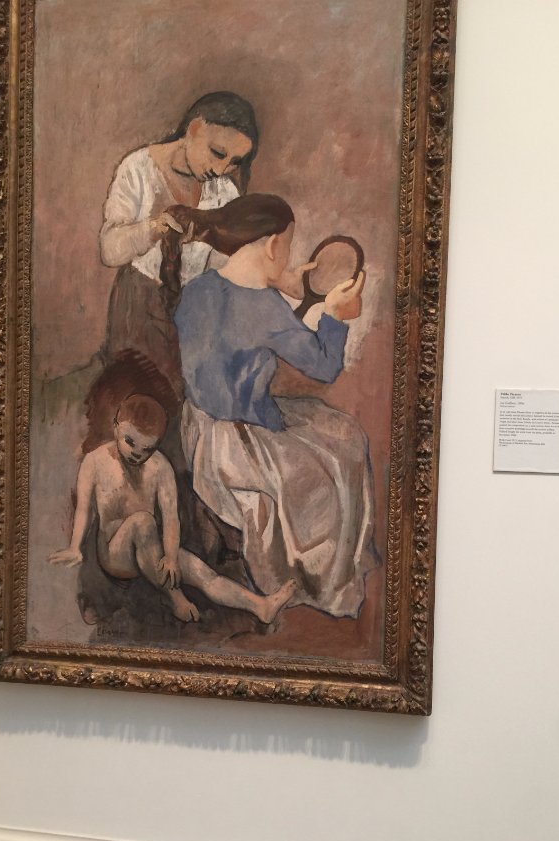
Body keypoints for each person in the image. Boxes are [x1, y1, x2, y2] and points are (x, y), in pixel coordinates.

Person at [175, 194, 377, 618]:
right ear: (272, 245)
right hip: (243, 445)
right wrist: (337, 316)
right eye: (287, 245)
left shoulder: (197, 289)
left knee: (329, 431)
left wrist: (278, 286)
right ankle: (326, 573)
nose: (287, 257)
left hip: (198, 430)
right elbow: (324, 366)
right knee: (345, 446)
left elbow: (234, 333)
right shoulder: (266, 309)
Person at [48, 394, 296, 625]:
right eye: (130, 442)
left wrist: (171, 557)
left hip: (152, 546)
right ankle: (175, 598)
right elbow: (83, 510)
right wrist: (74, 547)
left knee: (203, 574)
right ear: (116, 427)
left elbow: (170, 519)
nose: (136, 454)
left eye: (147, 449)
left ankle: (260, 606)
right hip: (116, 556)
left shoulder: (160, 467)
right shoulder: (95, 461)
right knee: (142, 521)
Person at [99, 91, 259, 385]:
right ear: (194, 128)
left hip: (195, 308)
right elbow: (109, 251)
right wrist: (153, 229)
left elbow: (221, 268)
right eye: (218, 153)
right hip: (139, 303)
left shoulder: (224, 192)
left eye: (235, 162)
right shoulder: (138, 169)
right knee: (143, 394)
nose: (221, 170)